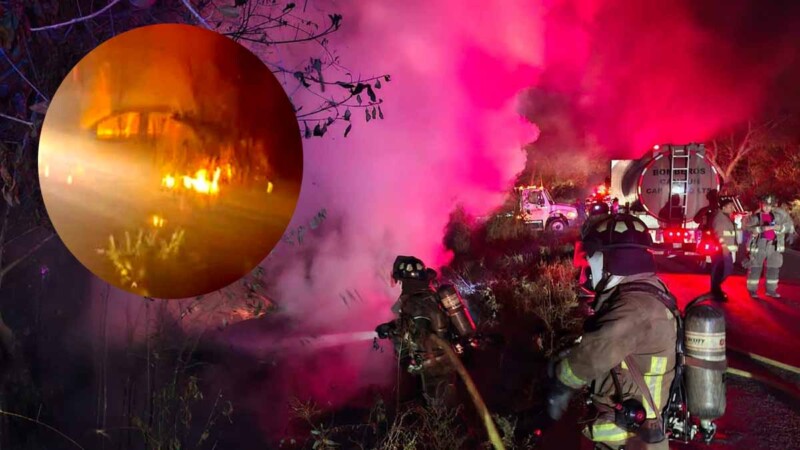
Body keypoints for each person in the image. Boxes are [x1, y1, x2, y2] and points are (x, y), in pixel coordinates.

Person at [547, 214, 677, 450]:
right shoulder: (647, 291)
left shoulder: (635, 307)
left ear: (609, 259)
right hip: (635, 431)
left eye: (591, 259)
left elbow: (594, 353)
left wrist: (560, 381)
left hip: (629, 439)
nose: (587, 268)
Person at [375, 256, 458, 406]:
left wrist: (391, 332)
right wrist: (392, 326)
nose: (400, 285)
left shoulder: (414, 302)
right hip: (445, 359)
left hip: (432, 365)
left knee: (441, 409)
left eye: (400, 281)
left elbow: (415, 334)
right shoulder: (430, 296)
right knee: (449, 404)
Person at [745, 195, 793, 298]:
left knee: (773, 269)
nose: (767, 208)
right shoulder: (756, 217)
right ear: (761, 205)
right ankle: (752, 290)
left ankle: (771, 290)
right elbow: (747, 228)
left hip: (774, 246)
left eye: (769, 206)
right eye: (765, 205)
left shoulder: (778, 216)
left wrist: (780, 228)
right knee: (755, 268)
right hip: (760, 245)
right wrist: (763, 228)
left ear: (772, 206)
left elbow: (789, 226)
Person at [710, 199, 738, 302]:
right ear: (723, 208)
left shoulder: (725, 217)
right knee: (722, 270)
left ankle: (715, 290)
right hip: (722, 251)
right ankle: (716, 292)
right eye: (730, 206)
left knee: (722, 270)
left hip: (724, 250)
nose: (732, 208)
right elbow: (719, 234)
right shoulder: (720, 218)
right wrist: (724, 246)